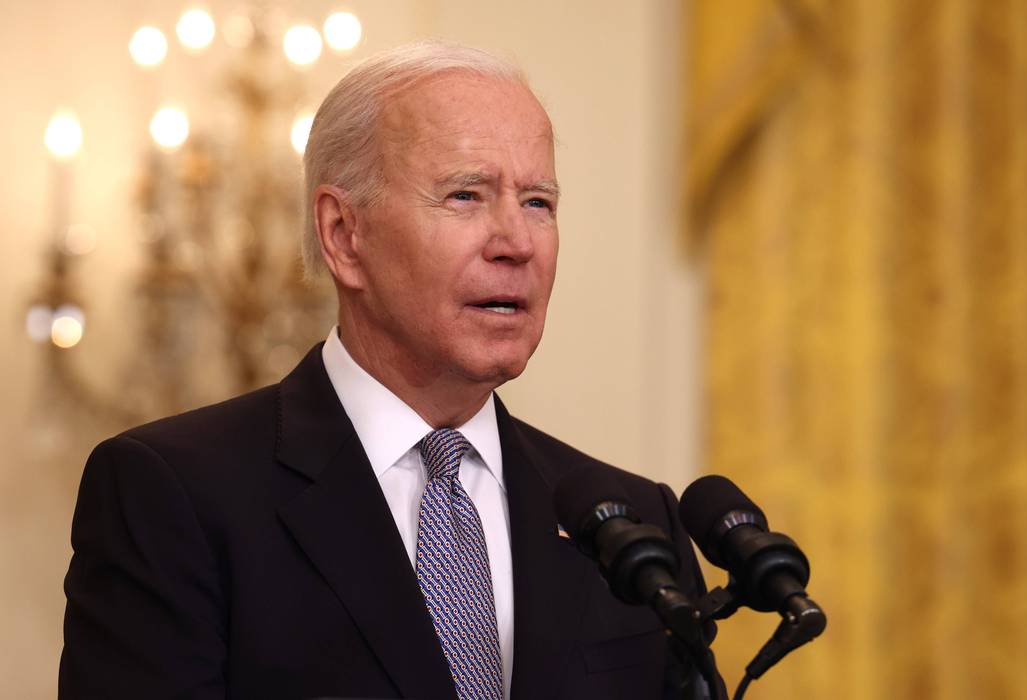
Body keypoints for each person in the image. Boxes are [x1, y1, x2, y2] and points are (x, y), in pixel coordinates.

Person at [60, 41, 705, 700]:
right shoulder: (172, 494)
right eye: (466, 195)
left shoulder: (635, 523)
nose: (517, 242)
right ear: (344, 235)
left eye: (538, 202)